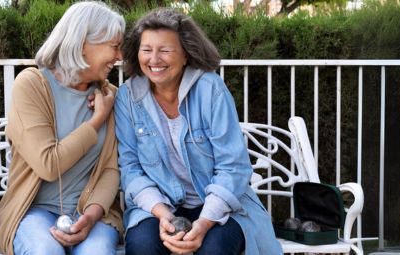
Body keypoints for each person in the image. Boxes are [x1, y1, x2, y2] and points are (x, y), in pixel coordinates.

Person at [115, 8, 283, 255]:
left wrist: (204, 223)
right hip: (157, 205)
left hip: (218, 205)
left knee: (214, 248)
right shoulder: (127, 97)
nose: (154, 59)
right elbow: (130, 169)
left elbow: (233, 167)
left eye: (165, 50)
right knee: (142, 246)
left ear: (185, 54)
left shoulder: (211, 89)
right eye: (147, 49)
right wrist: (163, 215)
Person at [0, 2, 124, 254]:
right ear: (84, 44)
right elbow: (48, 164)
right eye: (114, 47)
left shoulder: (109, 95)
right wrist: (96, 121)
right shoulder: (32, 85)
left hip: (91, 212)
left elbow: (110, 169)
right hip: (34, 211)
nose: (120, 57)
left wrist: (91, 217)